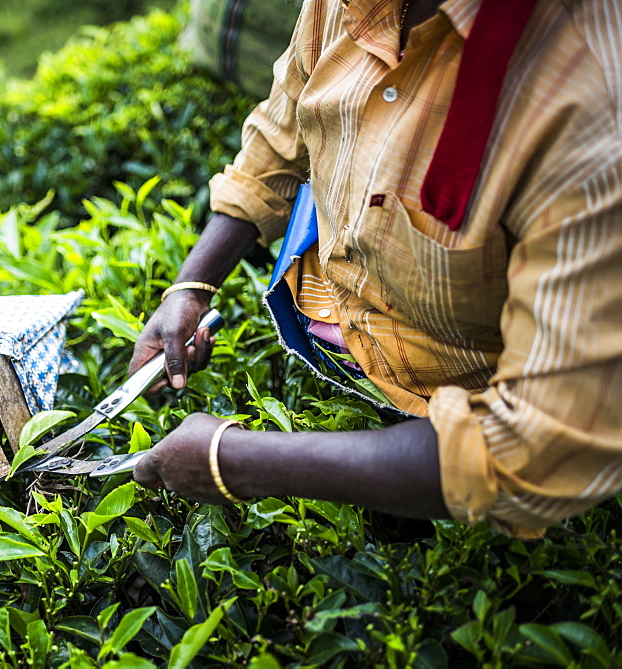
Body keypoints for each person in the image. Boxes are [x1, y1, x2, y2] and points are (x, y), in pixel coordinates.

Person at [130, 0, 622, 538]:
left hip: (460, 416)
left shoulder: (589, 92)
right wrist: (191, 286)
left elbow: (540, 446)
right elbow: (279, 138)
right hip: (340, 343)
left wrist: (237, 461)